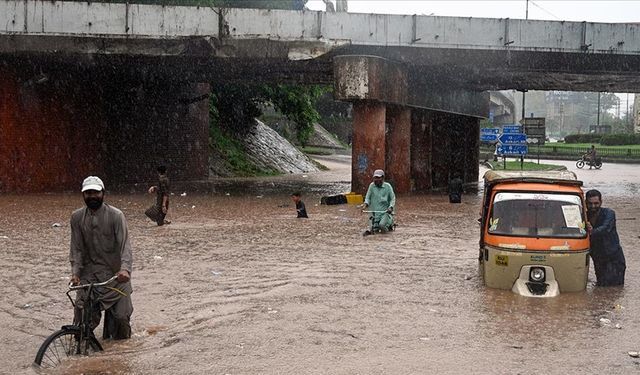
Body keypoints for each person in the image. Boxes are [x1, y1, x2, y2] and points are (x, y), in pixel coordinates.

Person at [70, 176, 133, 339]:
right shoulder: (76, 217)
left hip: (115, 277)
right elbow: (76, 248)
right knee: (82, 323)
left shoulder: (116, 215)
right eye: (88, 193)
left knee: (120, 320)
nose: (92, 197)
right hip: (89, 276)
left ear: (103, 193)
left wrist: (125, 270)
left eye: (95, 193)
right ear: (83, 195)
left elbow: (125, 245)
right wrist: (75, 273)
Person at [585, 189, 625, 286]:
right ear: (585, 203)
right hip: (598, 259)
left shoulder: (609, 213)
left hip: (613, 258)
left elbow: (605, 228)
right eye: (590, 204)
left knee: (615, 289)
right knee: (601, 286)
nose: (593, 206)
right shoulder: (584, 216)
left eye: (596, 203)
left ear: (601, 202)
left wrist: (591, 231)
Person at [362, 169, 396, 235]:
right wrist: (365, 204)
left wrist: (391, 207)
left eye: (378, 178)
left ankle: (388, 234)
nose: (376, 180)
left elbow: (393, 198)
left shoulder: (388, 187)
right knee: (373, 230)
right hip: (374, 212)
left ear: (383, 178)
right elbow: (367, 197)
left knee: (382, 226)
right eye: (375, 178)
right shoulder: (371, 186)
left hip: (385, 212)